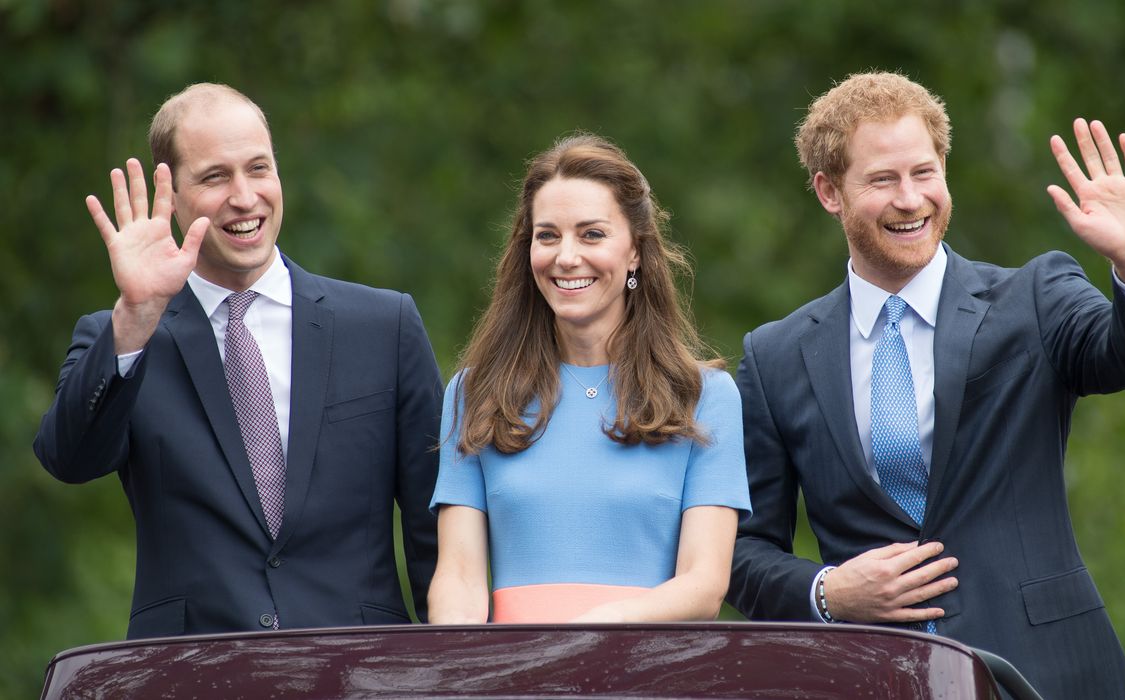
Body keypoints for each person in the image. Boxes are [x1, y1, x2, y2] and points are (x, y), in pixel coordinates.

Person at [727, 72, 1125, 698]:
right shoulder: (775, 355)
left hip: (1049, 672)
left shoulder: (1034, 296)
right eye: (883, 180)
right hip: (872, 677)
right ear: (829, 191)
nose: (910, 199)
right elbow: (743, 552)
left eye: (924, 173)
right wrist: (827, 592)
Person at [33, 83, 444, 638]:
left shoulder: (384, 327)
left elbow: (435, 538)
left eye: (258, 169)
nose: (245, 196)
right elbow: (68, 458)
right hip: (190, 674)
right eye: (214, 177)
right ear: (170, 195)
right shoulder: (123, 334)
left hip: (358, 671)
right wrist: (136, 313)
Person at [427, 134, 750, 623]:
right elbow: (459, 576)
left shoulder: (705, 397)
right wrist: (464, 666)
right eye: (548, 235)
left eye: (592, 234)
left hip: (647, 675)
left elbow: (704, 585)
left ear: (636, 251)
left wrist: (589, 636)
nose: (566, 256)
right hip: (511, 679)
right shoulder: (475, 393)